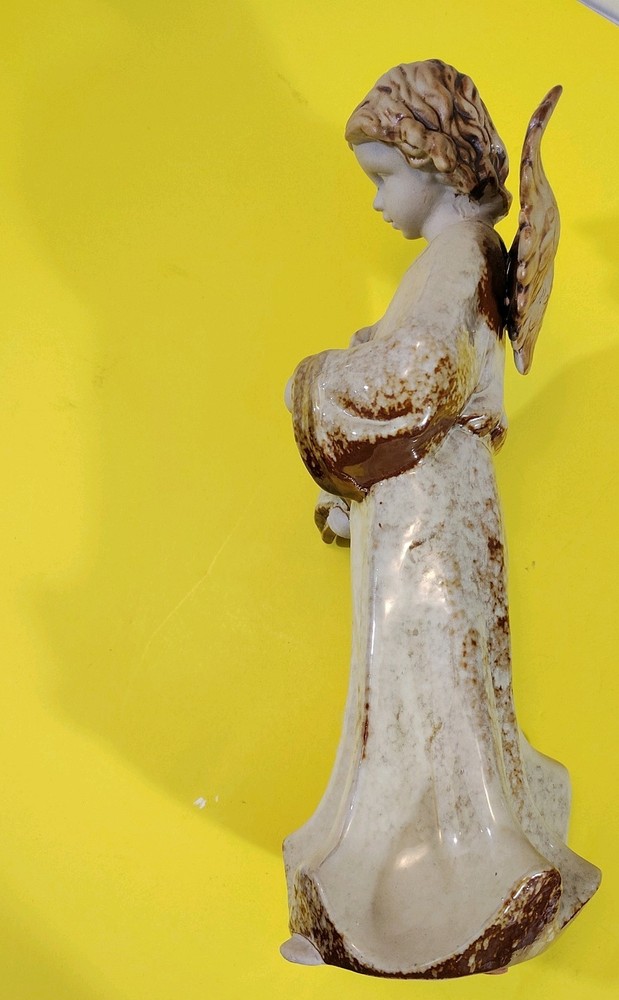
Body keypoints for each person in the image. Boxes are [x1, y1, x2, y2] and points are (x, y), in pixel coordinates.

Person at [282, 59, 600, 979]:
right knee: (424, 698)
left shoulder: (456, 258)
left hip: (429, 512)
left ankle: (428, 911)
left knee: (425, 702)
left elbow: (421, 373)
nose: (377, 201)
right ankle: (399, 898)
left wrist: (316, 383)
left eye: (384, 175)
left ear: (436, 163)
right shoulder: (465, 258)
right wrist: (362, 497)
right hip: (424, 504)